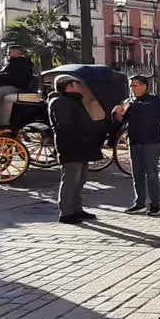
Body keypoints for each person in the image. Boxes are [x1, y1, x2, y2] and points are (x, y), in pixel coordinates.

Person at [112, 76, 160, 215]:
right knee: (137, 175)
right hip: (134, 142)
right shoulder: (128, 102)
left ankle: (155, 204)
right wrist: (116, 113)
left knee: (152, 175)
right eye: (131, 86)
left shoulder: (154, 100)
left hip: (151, 143)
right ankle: (139, 203)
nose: (132, 89)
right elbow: (120, 122)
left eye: (134, 85)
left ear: (144, 86)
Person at [48, 75, 99, 224]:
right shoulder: (60, 102)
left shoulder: (72, 100)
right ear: (68, 86)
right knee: (71, 179)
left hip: (80, 145)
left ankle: (77, 209)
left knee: (81, 178)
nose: (80, 87)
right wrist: (82, 136)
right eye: (76, 84)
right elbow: (66, 125)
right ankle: (66, 212)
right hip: (70, 146)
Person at [0, 45, 35, 129]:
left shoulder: (23, 63)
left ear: (17, 52)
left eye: (10, 52)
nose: (7, 53)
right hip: (11, 86)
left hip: (20, 88)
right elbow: (4, 75)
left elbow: (16, 78)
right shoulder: (12, 62)